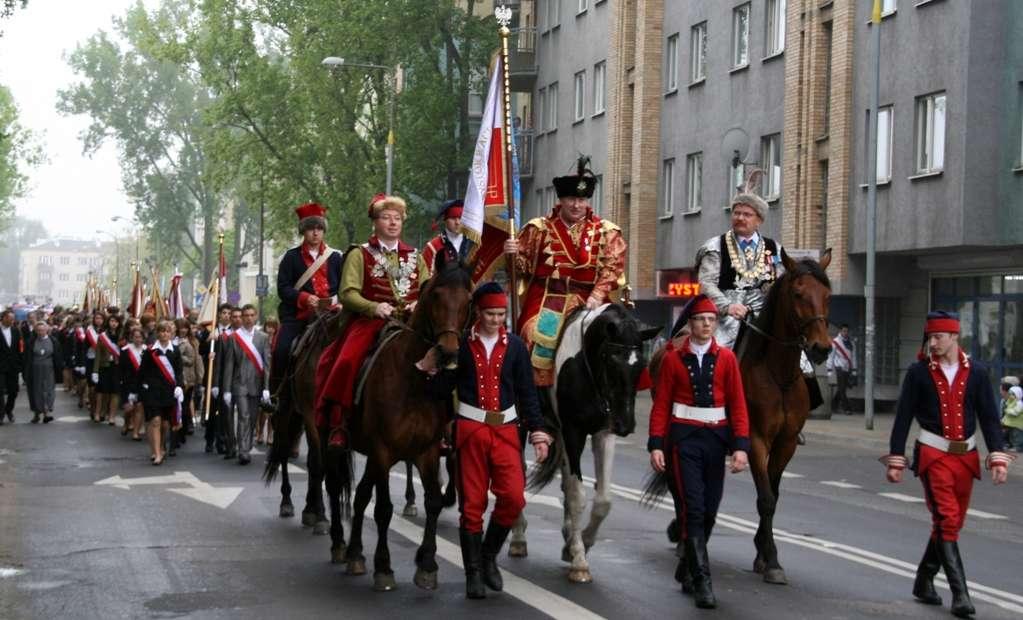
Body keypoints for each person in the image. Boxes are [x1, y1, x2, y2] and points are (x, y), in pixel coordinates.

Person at [416, 282, 553, 599]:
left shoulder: (517, 347)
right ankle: (473, 573)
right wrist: (427, 370)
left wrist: (537, 431)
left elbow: (527, 393)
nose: (496, 319)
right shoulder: (461, 345)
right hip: (471, 431)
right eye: (491, 313)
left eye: (501, 314)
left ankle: (489, 555)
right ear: (478, 313)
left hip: (506, 432)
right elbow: (441, 391)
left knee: (514, 498)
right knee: (472, 506)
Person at [882, 311, 1013, 617]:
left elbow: (990, 419)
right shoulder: (918, 373)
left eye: (939, 337)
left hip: (966, 458)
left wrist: (997, 457)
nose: (933, 344)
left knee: (950, 523)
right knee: (948, 517)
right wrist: (896, 460)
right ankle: (960, 595)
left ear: (955, 336)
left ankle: (924, 579)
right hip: (933, 454)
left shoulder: (978, 373)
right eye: (930, 338)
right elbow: (902, 419)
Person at [647, 294, 749, 609]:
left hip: (716, 440)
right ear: (690, 324)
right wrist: (655, 444)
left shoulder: (728, 360)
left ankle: (687, 564)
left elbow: (738, 404)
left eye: (711, 320)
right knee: (693, 508)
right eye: (700, 320)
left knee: (710, 509)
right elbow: (662, 404)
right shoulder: (675, 359)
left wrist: (741, 447)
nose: (706, 325)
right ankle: (703, 581)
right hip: (683, 440)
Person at [503, 156, 626, 389]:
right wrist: (512, 254)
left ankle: (613, 400)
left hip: (591, 299)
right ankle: (538, 398)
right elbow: (522, 268)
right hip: (548, 297)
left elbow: (612, 268)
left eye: (581, 199)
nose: (576, 205)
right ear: (561, 199)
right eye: (571, 199)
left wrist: (597, 295)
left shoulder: (607, 231)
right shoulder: (538, 228)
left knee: (619, 341)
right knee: (533, 336)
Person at [316, 193, 427, 449]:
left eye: (397, 218)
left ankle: (445, 425)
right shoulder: (359, 253)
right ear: (375, 222)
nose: (392, 222)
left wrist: (419, 303)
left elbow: (427, 289)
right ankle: (339, 422)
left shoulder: (416, 256)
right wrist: (374, 307)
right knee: (346, 360)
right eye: (386, 217)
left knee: (446, 358)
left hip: (410, 324)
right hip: (371, 321)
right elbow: (347, 293)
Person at [273, 202, 343, 398]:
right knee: (281, 349)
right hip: (300, 315)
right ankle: (278, 395)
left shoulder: (336, 257)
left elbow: (345, 286)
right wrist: (304, 298)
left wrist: (338, 301)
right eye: (311, 228)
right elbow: (283, 288)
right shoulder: (291, 257)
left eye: (319, 228)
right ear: (304, 230)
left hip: (332, 313)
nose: (315, 233)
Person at [221, 304, 271, 465]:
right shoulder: (234, 338)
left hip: (256, 384)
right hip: (239, 383)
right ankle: (243, 451)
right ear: (241, 318)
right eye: (246, 315)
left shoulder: (263, 337)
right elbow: (229, 364)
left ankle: (247, 446)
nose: (249, 318)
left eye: (251, 315)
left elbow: (267, 364)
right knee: (244, 416)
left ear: (255, 317)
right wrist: (227, 389)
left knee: (253, 417)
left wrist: (266, 388)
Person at [134, 320, 184, 465]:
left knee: (165, 424)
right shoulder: (150, 351)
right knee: (155, 421)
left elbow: (179, 372)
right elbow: (142, 372)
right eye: (162, 331)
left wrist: (179, 386)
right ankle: (156, 453)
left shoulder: (175, 351)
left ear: (171, 333)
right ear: (157, 333)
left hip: (169, 392)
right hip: (153, 392)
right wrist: (140, 389)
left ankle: (161, 446)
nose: (164, 334)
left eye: (167, 331)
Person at [199, 303, 232, 454]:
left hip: (227, 377)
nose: (226, 315)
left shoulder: (234, 333)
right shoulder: (210, 331)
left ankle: (223, 441)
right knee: (212, 411)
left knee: (225, 412)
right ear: (218, 314)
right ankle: (209, 439)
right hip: (212, 377)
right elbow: (201, 350)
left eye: (228, 313)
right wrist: (208, 344)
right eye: (223, 313)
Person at [421, 199, 475, 280]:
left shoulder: (473, 244)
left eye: (460, 218)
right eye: (453, 218)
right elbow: (425, 279)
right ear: (445, 220)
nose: (457, 222)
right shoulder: (433, 246)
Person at [173, 318, 203, 452]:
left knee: (184, 407)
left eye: (185, 327)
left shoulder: (192, 342)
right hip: (172, 378)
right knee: (174, 407)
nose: (183, 330)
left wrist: (199, 377)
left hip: (187, 378)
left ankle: (182, 432)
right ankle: (175, 434)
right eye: (180, 327)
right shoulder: (171, 340)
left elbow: (193, 360)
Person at [24, 321, 63, 424]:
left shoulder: (53, 341)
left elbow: (58, 356)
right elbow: (27, 357)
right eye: (38, 330)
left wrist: (59, 369)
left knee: (48, 390)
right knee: (36, 391)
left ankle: (46, 413)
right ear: (36, 331)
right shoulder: (31, 341)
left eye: (42, 330)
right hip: (35, 370)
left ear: (47, 330)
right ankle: (36, 414)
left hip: (49, 370)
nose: (40, 332)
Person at [92, 313, 123, 425]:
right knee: (101, 391)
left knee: (115, 392)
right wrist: (95, 371)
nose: (113, 323)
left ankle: (112, 416)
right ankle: (98, 412)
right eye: (111, 321)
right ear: (108, 322)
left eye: (116, 321)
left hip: (117, 367)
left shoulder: (122, 337)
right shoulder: (102, 336)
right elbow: (98, 354)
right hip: (104, 366)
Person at [119, 326, 147, 440]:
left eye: (140, 337)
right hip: (128, 383)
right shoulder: (125, 350)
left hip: (142, 383)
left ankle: (136, 432)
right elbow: (121, 369)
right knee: (129, 409)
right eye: (135, 337)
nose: (138, 339)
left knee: (139, 407)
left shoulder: (147, 350)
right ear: (131, 337)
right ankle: (126, 423)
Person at [256, 316, 279, 445]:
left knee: (272, 407)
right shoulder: (261, 339)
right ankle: (259, 432)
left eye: (273, 326)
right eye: (268, 326)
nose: (270, 329)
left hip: (273, 376)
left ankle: (270, 433)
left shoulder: (278, 340)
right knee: (262, 408)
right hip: (262, 375)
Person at [826, 324, 857, 415]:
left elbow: (854, 357)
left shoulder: (851, 343)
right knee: (842, 389)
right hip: (839, 367)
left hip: (848, 368)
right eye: (843, 331)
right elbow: (831, 356)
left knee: (841, 389)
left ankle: (833, 405)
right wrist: (829, 369)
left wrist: (855, 369)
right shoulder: (835, 342)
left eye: (847, 331)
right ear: (840, 331)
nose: (845, 333)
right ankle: (847, 408)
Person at [0, 309, 25, 425]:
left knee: (13, 391)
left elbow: (20, 348)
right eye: (10, 319)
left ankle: (9, 410)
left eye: (13, 319)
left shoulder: (16, 331)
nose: (12, 321)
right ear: (3, 318)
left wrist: (20, 364)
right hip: (1, 366)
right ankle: (0, 414)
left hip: (13, 366)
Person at [1002, 385, 1023, 452]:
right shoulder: (1010, 401)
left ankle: (1018, 447)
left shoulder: (1019, 403)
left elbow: (1016, 412)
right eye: (1010, 394)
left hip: (1017, 424)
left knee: (1017, 436)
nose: (1010, 396)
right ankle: (1012, 445)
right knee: (1011, 435)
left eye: (1012, 394)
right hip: (1011, 423)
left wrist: (1008, 411)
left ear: (1017, 395)